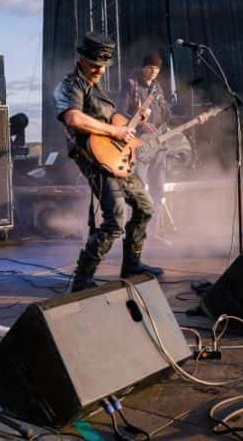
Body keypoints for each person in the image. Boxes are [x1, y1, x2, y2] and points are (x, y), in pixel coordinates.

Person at [53, 32, 164, 292]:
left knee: (145, 207)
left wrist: (134, 121)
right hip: (95, 160)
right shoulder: (71, 85)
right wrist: (115, 132)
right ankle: (83, 278)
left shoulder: (98, 88)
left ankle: (132, 265)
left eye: (103, 66)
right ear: (81, 58)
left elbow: (112, 118)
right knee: (115, 219)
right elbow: (74, 119)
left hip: (117, 158)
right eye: (94, 65)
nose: (100, 70)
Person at [120, 51, 171, 233]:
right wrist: (142, 123)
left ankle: (155, 231)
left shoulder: (157, 89)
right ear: (143, 68)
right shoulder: (131, 85)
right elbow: (120, 113)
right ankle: (136, 232)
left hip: (158, 143)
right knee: (138, 189)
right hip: (139, 144)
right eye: (150, 68)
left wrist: (166, 113)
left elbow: (163, 112)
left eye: (157, 69)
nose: (154, 72)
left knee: (158, 187)